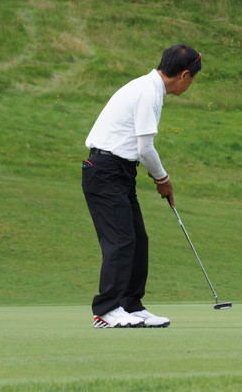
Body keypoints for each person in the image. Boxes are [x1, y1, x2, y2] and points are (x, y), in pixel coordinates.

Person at [82, 43, 201, 328]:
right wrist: (163, 180)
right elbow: (145, 148)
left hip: (119, 172)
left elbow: (140, 150)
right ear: (184, 75)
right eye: (193, 79)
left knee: (137, 240)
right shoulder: (148, 92)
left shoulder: (148, 88)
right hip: (105, 171)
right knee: (120, 241)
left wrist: (157, 176)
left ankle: (130, 305)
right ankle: (106, 310)